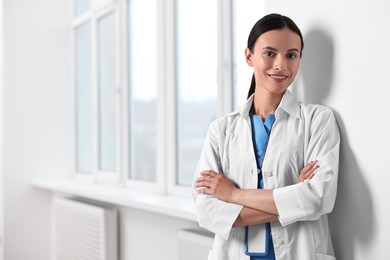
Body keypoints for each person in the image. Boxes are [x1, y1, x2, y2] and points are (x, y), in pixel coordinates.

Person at [192, 13, 340, 260]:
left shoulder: (318, 120)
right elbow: (206, 211)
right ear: (249, 56)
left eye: (291, 55)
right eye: (270, 53)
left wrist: (233, 196)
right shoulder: (221, 130)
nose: (281, 64)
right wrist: (293, 195)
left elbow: (317, 199)